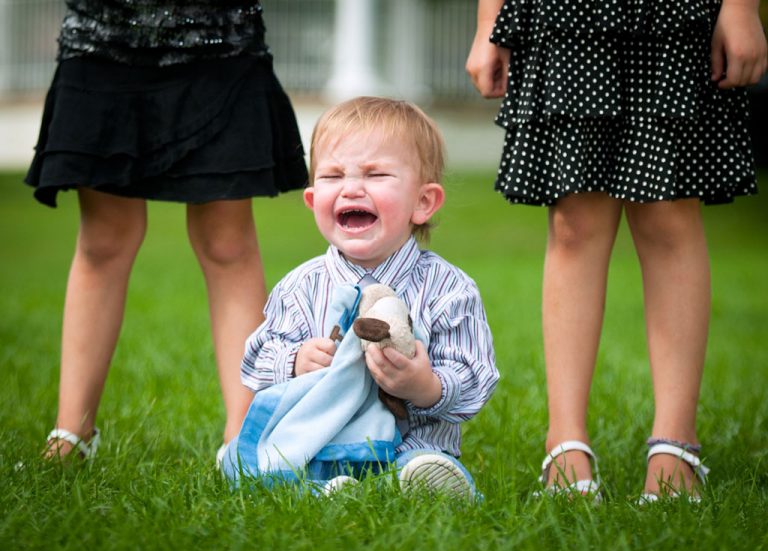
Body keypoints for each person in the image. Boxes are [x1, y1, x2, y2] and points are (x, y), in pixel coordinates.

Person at [466, 0, 767, 501]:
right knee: (575, 221)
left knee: (668, 212)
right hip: (567, 16)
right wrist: (487, 23)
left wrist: (740, 8)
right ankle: (565, 443)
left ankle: (675, 445)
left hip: (671, 14)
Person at [25, 1, 308, 462]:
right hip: (103, 43)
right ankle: (71, 434)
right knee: (103, 241)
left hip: (220, 45)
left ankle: (244, 438)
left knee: (227, 243)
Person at [227, 97, 499, 497]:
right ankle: (324, 487)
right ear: (312, 201)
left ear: (422, 202)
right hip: (317, 443)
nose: (351, 188)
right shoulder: (301, 286)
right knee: (255, 465)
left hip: (412, 443)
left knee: (422, 463)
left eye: (376, 174)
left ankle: (415, 480)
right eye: (333, 175)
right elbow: (255, 361)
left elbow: (475, 378)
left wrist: (426, 386)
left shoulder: (448, 289)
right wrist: (295, 361)